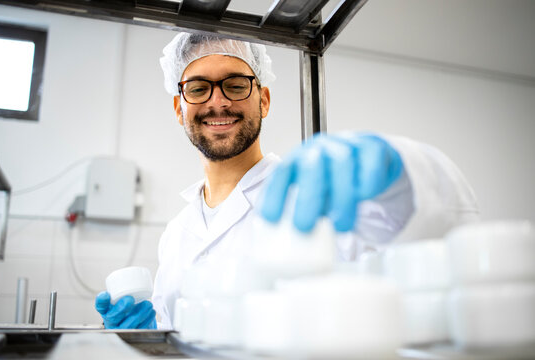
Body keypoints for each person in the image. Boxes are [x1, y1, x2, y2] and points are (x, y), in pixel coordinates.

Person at [95, 32, 479, 330]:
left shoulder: (316, 193)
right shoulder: (177, 234)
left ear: (262, 99)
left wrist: (406, 175)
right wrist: (150, 337)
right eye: (198, 88)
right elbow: (182, 334)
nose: (218, 102)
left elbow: (443, 242)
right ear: (180, 107)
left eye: (235, 84)